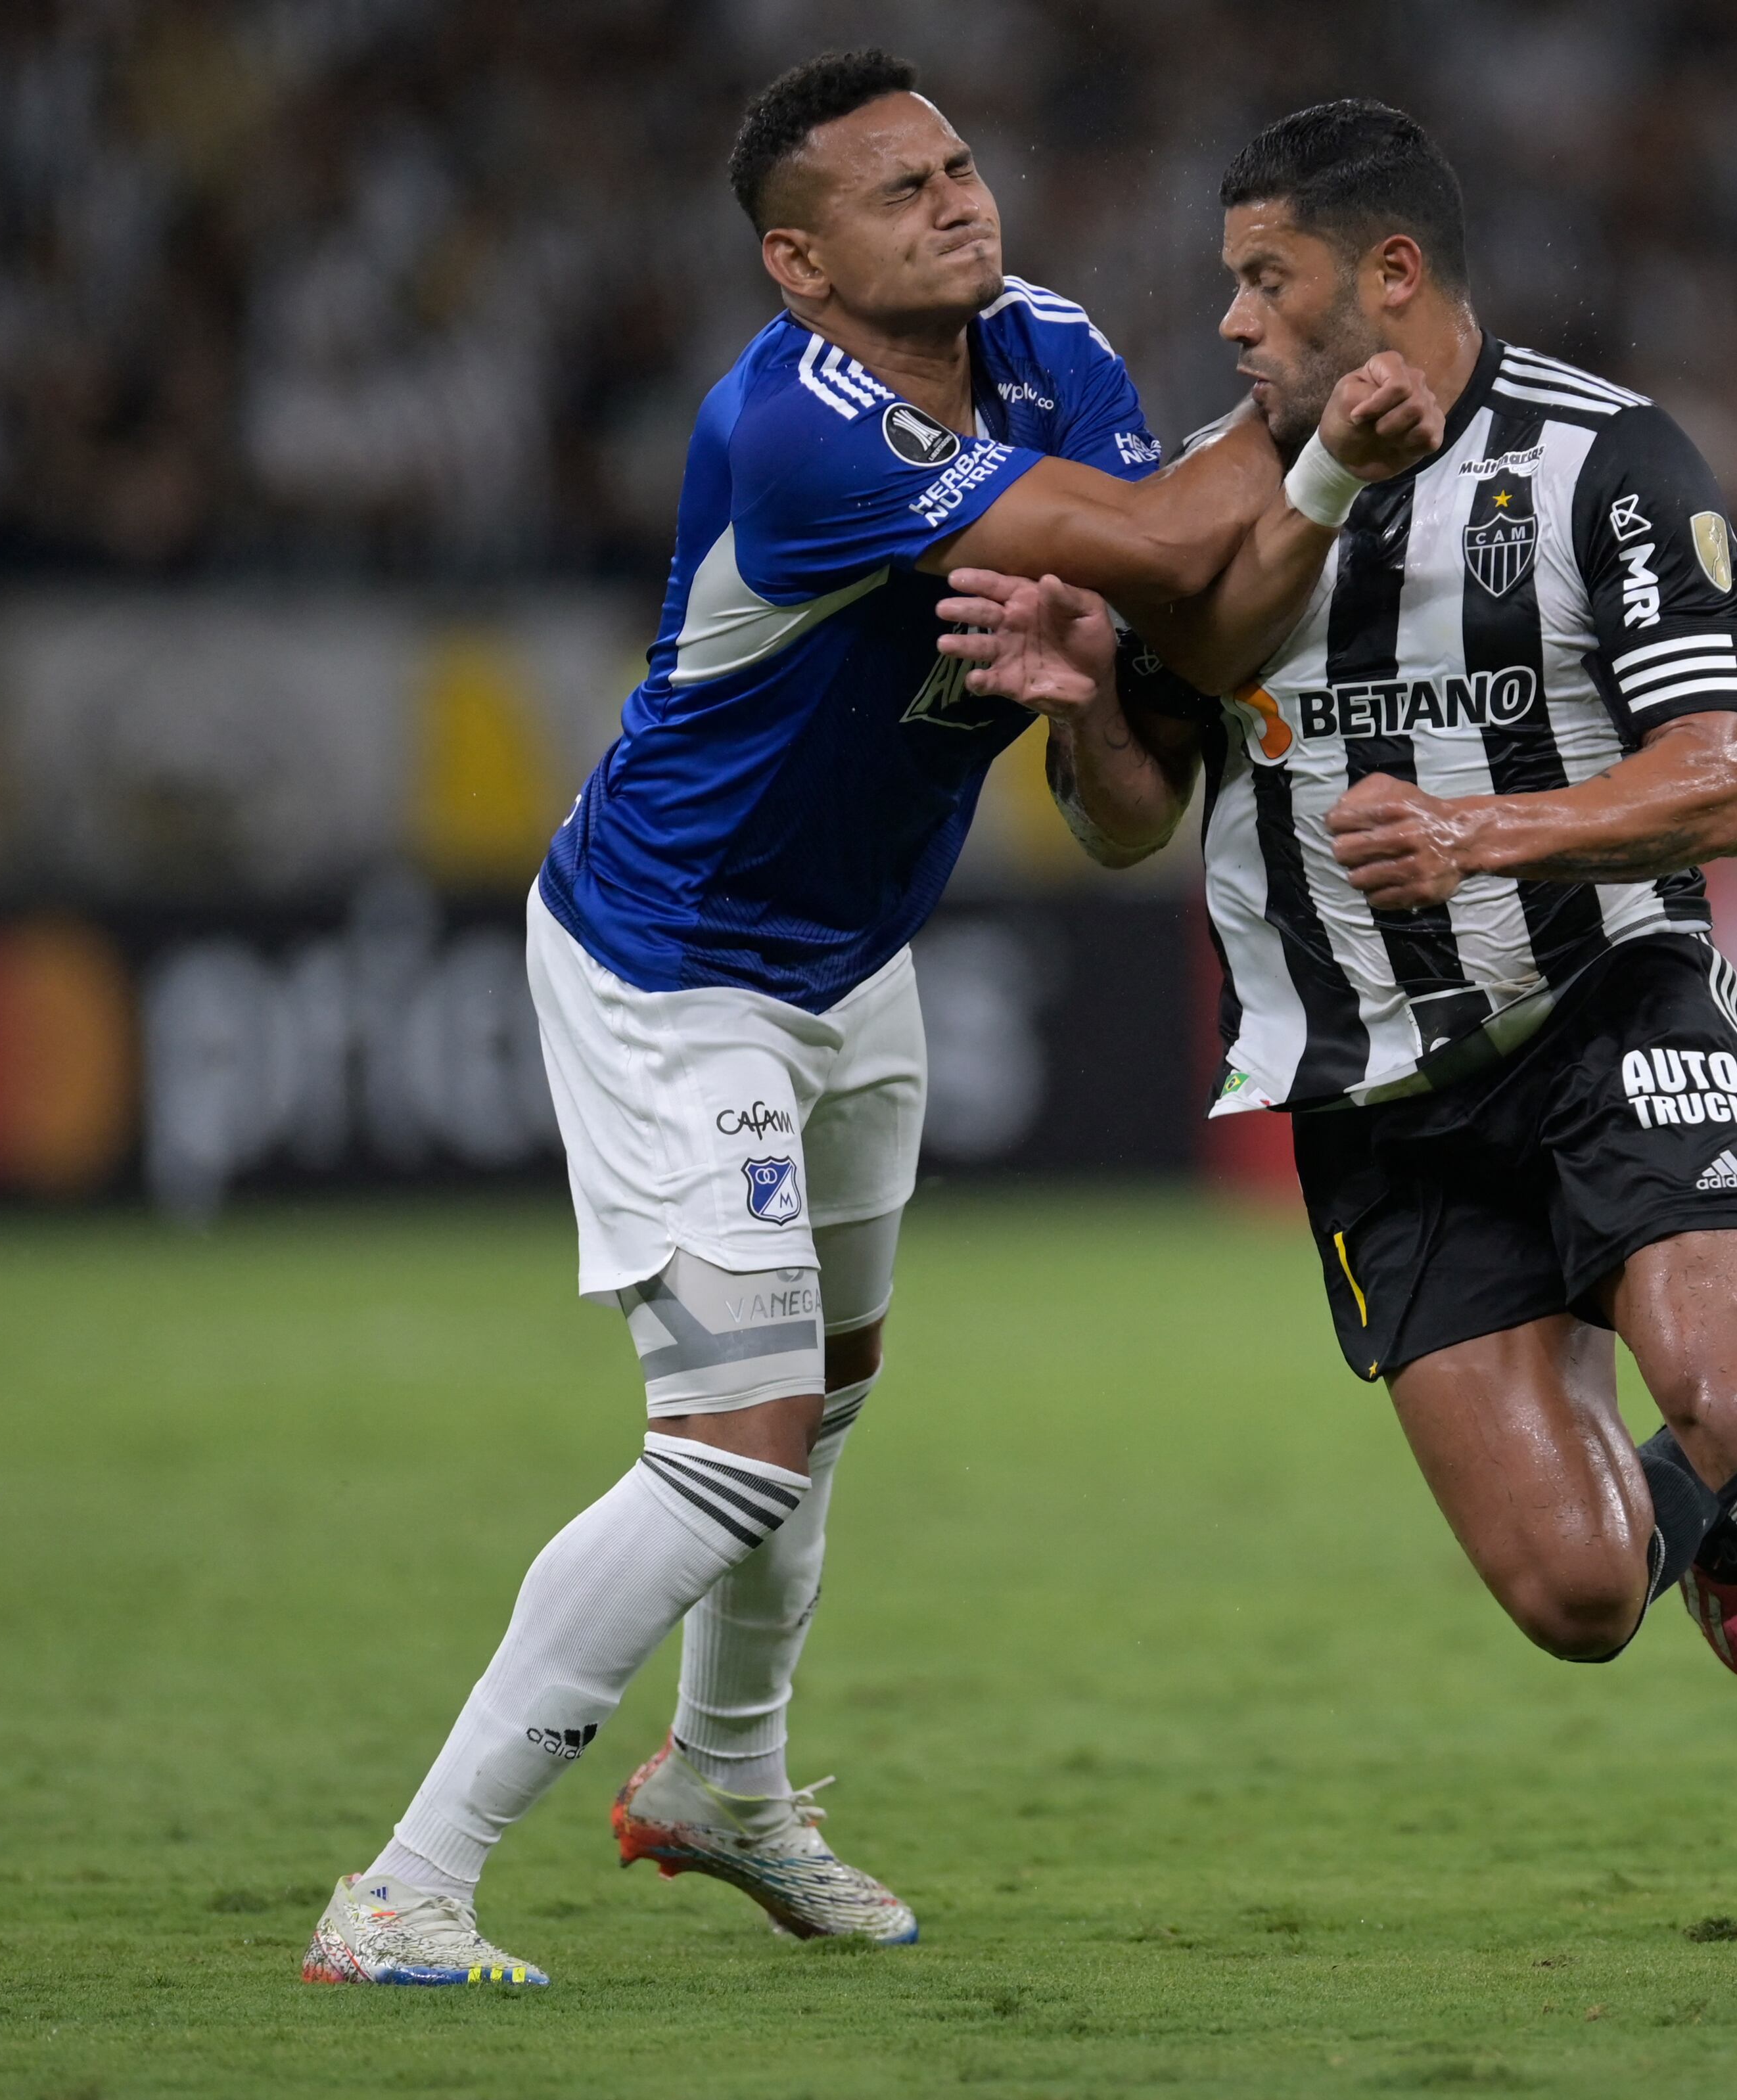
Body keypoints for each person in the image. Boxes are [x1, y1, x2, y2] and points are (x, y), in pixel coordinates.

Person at [302, 49, 1438, 1990]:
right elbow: (1177, 549)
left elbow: (1175, 654)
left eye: (961, 165)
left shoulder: (1050, 350)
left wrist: (1105, 669)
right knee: (732, 1442)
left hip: (852, 962)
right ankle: (404, 1886)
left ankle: (723, 1784)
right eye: (898, 192)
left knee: (815, 1410)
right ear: (798, 266)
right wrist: (1316, 442)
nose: (958, 200)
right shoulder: (802, 430)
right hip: (676, 966)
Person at [938, 99, 1737, 1988]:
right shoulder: (1223, 497)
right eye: (1229, 284)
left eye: (1264, 281)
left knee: (1734, 1361)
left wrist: (1487, 832)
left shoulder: (1606, 462)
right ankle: (1701, 1514)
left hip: (1607, 1003)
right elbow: (1130, 818)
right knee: (1575, 1594)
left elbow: (1728, 777)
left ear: (1392, 278)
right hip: (1374, 1088)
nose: (1230, 323)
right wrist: (1088, 711)